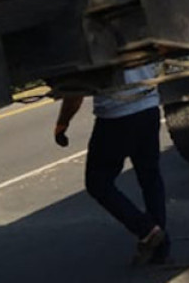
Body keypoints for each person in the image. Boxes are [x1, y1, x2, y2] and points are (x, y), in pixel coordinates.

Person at [54, 62, 170, 266]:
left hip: (116, 117)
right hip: (148, 108)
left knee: (97, 183)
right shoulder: (136, 30)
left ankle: (146, 229)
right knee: (150, 178)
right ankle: (160, 248)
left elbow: (76, 92)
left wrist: (62, 123)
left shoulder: (93, 38)